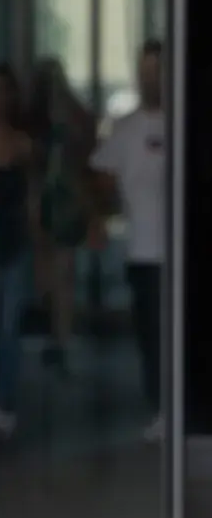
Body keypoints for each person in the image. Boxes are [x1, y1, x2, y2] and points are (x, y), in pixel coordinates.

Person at [90, 39, 165, 441]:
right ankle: (161, 407)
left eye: (157, 69)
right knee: (151, 335)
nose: (150, 77)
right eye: (145, 69)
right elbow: (101, 177)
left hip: (181, 252)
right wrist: (99, 218)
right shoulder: (127, 126)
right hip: (142, 251)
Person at [28, 57, 98, 374]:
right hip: (44, 196)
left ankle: (61, 337)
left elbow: (86, 145)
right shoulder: (36, 115)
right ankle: (54, 332)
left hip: (62, 197)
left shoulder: (71, 114)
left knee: (61, 270)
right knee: (49, 270)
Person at [0, 64, 35, 436]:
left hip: (14, 244)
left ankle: (3, 403)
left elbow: (32, 198)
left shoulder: (22, 143)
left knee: (8, 330)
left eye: (4, 90)